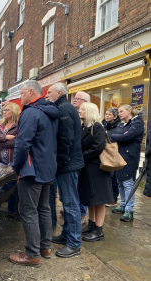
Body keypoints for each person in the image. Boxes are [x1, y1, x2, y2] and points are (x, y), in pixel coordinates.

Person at [9, 81, 61, 267]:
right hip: (48, 167)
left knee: (29, 211)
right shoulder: (51, 111)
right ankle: (45, 247)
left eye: (22, 93)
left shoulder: (30, 112)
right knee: (44, 209)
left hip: (32, 170)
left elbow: (22, 144)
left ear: (32, 92)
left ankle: (32, 254)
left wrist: (16, 167)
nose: (20, 97)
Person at [46, 83, 85, 258]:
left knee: (70, 204)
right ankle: (67, 235)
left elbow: (65, 139)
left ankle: (74, 243)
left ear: (59, 93)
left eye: (49, 92)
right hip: (68, 163)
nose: (47, 95)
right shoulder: (63, 107)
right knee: (67, 202)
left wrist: (60, 162)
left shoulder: (64, 108)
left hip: (67, 164)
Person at [78, 102, 113, 242]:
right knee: (90, 198)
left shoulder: (97, 126)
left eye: (82, 109)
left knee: (99, 200)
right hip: (87, 167)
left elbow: (98, 147)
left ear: (90, 111)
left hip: (97, 168)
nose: (79, 111)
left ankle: (99, 230)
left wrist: (81, 157)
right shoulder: (84, 127)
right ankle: (91, 224)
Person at [110, 105, 144, 222]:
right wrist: (121, 136)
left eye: (121, 111)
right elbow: (116, 136)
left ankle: (129, 210)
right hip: (119, 155)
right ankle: (123, 204)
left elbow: (127, 137)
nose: (119, 114)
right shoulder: (121, 124)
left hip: (130, 157)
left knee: (128, 183)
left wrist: (121, 136)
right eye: (118, 112)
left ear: (129, 111)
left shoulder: (137, 122)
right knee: (120, 181)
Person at [0, 102, 21, 213]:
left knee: (11, 187)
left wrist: (1, 141)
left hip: (11, 160)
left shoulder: (19, 125)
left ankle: (11, 211)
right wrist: (5, 137)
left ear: (14, 112)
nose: (4, 112)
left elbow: (17, 141)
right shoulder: (0, 123)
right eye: (4, 110)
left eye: (7, 110)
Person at [72, 91, 90, 221]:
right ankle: (77, 208)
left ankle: (82, 212)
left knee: (82, 185)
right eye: (74, 98)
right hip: (76, 157)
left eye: (77, 98)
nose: (74, 100)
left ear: (85, 102)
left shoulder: (89, 120)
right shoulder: (75, 115)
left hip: (85, 159)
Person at [102, 107, 121, 207]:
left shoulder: (118, 127)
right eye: (106, 114)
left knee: (113, 177)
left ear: (115, 116)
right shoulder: (103, 125)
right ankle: (106, 196)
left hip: (113, 153)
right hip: (104, 153)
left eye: (109, 114)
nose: (107, 116)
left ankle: (113, 199)